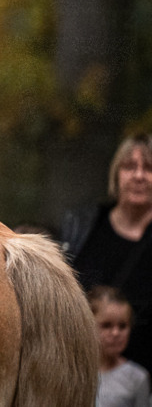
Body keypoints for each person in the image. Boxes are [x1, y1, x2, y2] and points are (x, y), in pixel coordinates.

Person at [63, 133, 152, 375]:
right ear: (116, 174)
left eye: (149, 168)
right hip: (81, 372)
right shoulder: (83, 226)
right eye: (129, 167)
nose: (139, 176)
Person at [89, 286, 152, 407]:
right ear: (89, 325)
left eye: (122, 326)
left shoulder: (137, 378)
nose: (116, 333)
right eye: (106, 325)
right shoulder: (72, 373)